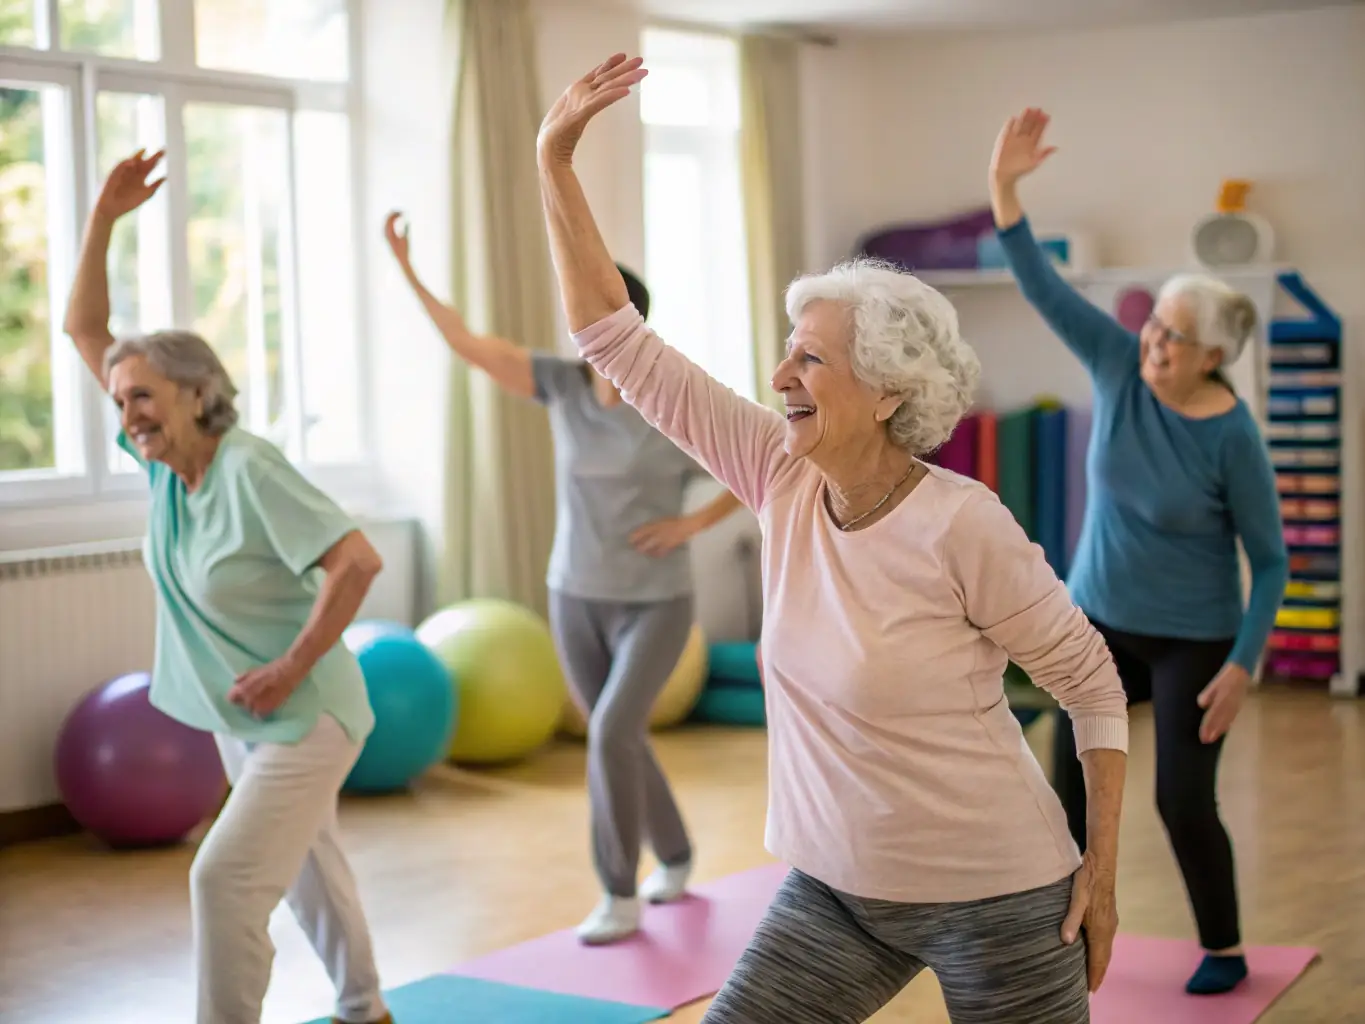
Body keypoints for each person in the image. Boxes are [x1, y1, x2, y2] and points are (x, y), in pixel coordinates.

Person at [533, 55, 1131, 1024]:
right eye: (787, 349)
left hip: (1000, 896)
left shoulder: (961, 522)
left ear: (890, 390)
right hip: (839, 894)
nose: (780, 374)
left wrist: (1100, 876)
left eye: (811, 356)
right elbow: (616, 340)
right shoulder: (780, 470)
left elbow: (1093, 685)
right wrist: (554, 160)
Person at [64, 150, 393, 1024]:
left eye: (143, 396)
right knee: (311, 868)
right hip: (243, 713)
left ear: (196, 392)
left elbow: (357, 562)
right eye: (121, 399)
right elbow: (83, 331)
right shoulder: (167, 470)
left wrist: (289, 667)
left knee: (224, 879)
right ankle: (367, 1008)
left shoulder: (247, 466)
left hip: (308, 709)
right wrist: (102, 220)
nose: (128, 412)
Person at [988, 108, 1289, 997]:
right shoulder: (1120, 367)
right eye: (1152, 327)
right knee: (1068, 787)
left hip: (1193, 637)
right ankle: (1062, 936)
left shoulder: (1233, 439)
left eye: (1172, 340)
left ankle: (1225, 947)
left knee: (1179, 802)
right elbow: (1041, 286)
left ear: (1214, 356)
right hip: (1099, 622)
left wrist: (1242, 664)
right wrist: (1005, 190)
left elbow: (1269, 562)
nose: (1151, 344)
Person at [382, 212, 744, 944]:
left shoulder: (673, 402)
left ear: (630, 326)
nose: (582, 330)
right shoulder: (560, 383)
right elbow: (467, 345)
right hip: (574, 591)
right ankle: (674, 853)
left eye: (597, 317)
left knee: (610, 730)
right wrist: (408, 268)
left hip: (656, 601)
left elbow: (757, 462)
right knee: (619, 739)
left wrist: (691, 525)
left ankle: (618, 891)